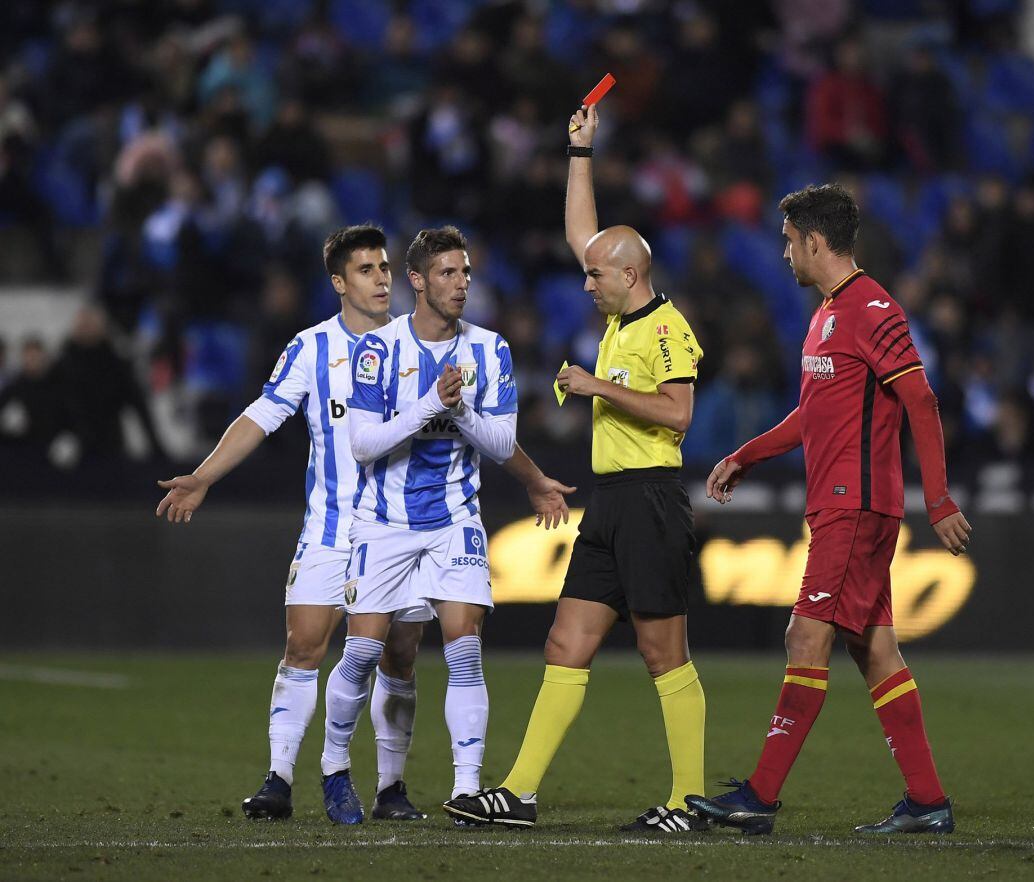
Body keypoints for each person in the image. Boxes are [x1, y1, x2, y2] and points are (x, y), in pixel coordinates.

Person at [156, 224, 573, 825]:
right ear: (339, 283)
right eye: (366, 270)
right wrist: (203, 476)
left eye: (384, 267)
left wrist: (532, 476)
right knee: (306, 646)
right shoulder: (313, 348)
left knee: (399, 656)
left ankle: (391, 787)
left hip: (405, 522)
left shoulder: (431, 344)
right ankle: (280, 777)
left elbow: (493, 436)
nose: (379, 279)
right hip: (335, 524)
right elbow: (261, 416)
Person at [443, 103, 707, 834]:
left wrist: (598, 387)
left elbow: (679, 414)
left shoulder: (667, 327)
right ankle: (520, 793)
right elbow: (578, 233)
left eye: (596, 275)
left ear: (629, 274)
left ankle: (688, 801)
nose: (585, 282)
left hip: (653, 498)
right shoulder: (622, 318)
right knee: (566, 641)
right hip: (612, 503)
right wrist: (580, 153)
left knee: (663, 652)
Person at [685, 184, 972, 835]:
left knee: (804, 638)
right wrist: (747, 454)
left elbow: (920, 401)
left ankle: (759, 796)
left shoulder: (873, 308)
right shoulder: (827, 314)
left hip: (857, 507)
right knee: (874, 650)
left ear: (815, 241)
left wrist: (939, 498)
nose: (785, 253)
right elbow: (814, 414)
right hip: (840, 506)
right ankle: (927, 802)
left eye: (789, 241)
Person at [327, 225, 523, 815]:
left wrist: (459, 407)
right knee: (364, 653)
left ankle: (466, 789)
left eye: (465, 272)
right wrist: (433, 403)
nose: (461, 283)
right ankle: (335, 767)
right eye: (447, 273)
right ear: (417, 281)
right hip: (383, 521)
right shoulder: (377, 350)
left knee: (464, 647)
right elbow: (363, 445)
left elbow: (503, 441)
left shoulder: (490, 350)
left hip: (455, 518)